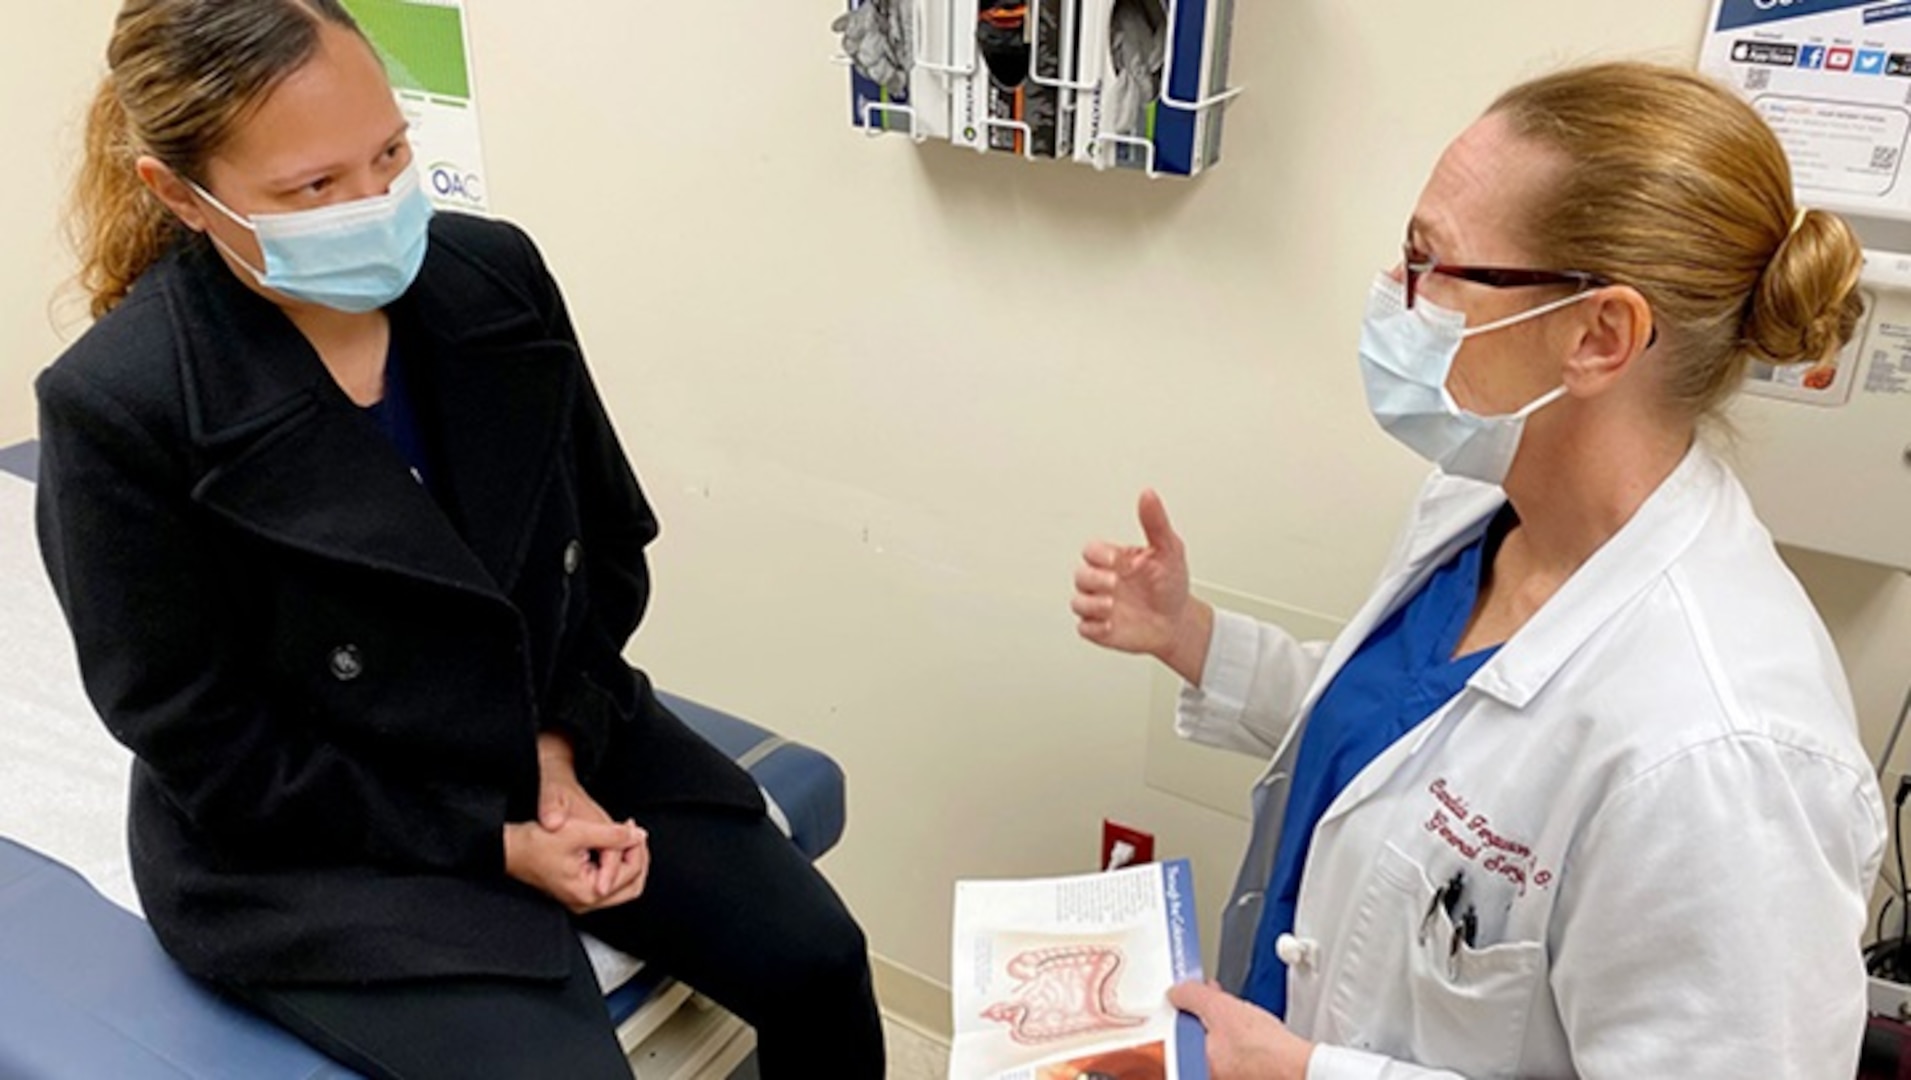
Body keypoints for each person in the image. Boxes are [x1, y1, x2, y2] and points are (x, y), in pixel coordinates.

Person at [36, 2, 884, 1077]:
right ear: (180, 196)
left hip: (550, 730)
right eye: (314, 188)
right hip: (316, 832)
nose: (376, 203)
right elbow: (208, 742)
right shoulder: (124, 406)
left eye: (389, 153)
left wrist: (558, 750)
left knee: (819, 959)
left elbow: (608, 551)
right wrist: (492, 838)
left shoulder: (492, 278)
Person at [1072, 61, 1885, 1079]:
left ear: (1600, 335)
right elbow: (1406, 751)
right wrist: (1191, 638)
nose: (1392, 299)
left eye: (1429, 264)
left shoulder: (1723, 758)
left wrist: (1308, 1074)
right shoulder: (1489, 501)